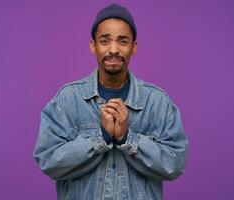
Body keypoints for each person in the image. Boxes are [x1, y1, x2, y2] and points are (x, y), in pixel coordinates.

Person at [33, 3, 188, 200]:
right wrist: (102, 137)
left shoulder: (158, 102)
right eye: (105, 41)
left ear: (134, 47)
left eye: (122, 41)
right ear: (93, 46)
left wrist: (127, 138)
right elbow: (48, 160)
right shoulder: (66, 100)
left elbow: (175, 164)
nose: (113, 49)